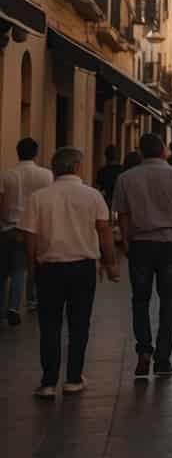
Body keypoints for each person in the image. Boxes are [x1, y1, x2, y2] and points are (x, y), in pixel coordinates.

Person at [22, 147, 118, 397]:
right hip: (82, 268)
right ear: (77, 167)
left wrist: (32, 269)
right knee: (79, 323)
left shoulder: (38, 198)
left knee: (49, 324)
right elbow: (104, 231)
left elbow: (30, 238)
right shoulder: (93, 196)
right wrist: (111, 263)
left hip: (49, 268)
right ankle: (74, 378)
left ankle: (48, 382)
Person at [113, 133, 172, 378]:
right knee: (168, 301)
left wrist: (127, 241)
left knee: (140, 300)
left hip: (140, 245)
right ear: (163, 151)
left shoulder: (126, 178)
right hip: (170, 245)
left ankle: (144, 351)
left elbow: (123, 215)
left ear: (140, 152)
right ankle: (163, 359)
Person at [1, 138, 53, 326]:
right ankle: (32, 299)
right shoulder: (46, 176)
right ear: (35, 153)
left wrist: (5, 219)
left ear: (17, 152)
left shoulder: (6, 175)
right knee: (34, 265)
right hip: (35, 228)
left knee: (7, 270)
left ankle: (7, 308)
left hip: (9, 227)